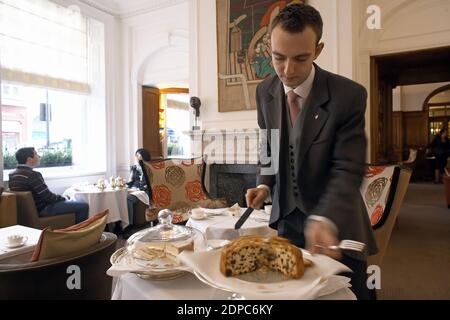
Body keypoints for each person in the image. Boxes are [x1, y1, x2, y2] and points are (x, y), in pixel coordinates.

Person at [245, 3, 377, 300]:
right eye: (279, 58)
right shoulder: (264, 91)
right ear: (269, 46)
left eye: (300, 58)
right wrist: (264, 184)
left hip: (337, 222)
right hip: (287, 221)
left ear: (318, 50)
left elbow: (348, 167)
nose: (287, 71)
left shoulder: (349, 95)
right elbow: (268, 143)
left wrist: (325, 218)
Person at [8, 147, 89, 224]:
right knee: (83, 206)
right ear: (29, 159)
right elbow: (49, 197)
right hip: (43, 209)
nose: (39, 156)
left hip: (27, 213)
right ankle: (79, 232)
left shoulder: (12, 174)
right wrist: (64, 198)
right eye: (36, 154)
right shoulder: (33, 175)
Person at [124, 148, 151, 238]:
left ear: (144, 157)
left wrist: (139, 188)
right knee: (120, 195)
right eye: (136, 156)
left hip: (144, 191)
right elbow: (131, 181)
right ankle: (120, 224)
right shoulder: (134, 168)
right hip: (134, 189)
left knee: (129, 198)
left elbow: (149, 183)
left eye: (139, 156)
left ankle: (130, 226)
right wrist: (123, 185)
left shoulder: (149, 167)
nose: (137, 158)